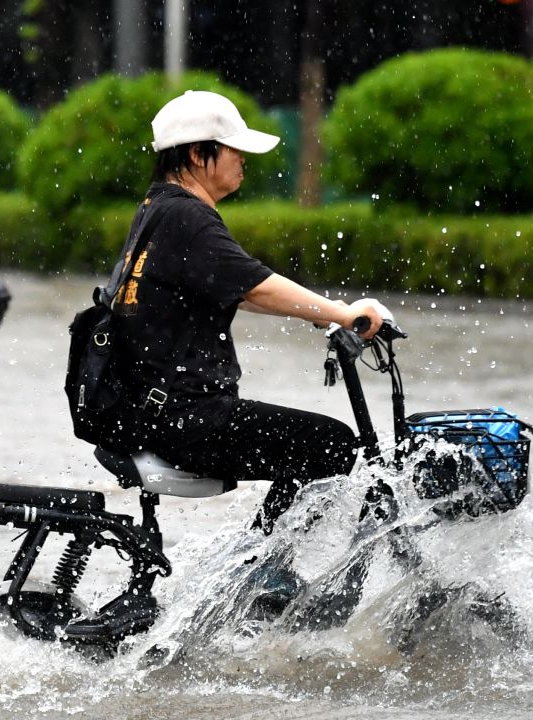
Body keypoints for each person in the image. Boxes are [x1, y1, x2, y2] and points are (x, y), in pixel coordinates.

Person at [112, 90, 386, 534]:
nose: (243, 160)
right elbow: (255, 286)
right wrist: (340, 313)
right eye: (234, 150)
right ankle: (263, 573)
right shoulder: (187, 216)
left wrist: (316, 312)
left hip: (153, 411)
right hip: (187, 417)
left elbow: (237, 289)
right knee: (331, 445)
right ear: (201, 155)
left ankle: (258, 565)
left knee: (312, 443)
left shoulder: (157, 207)